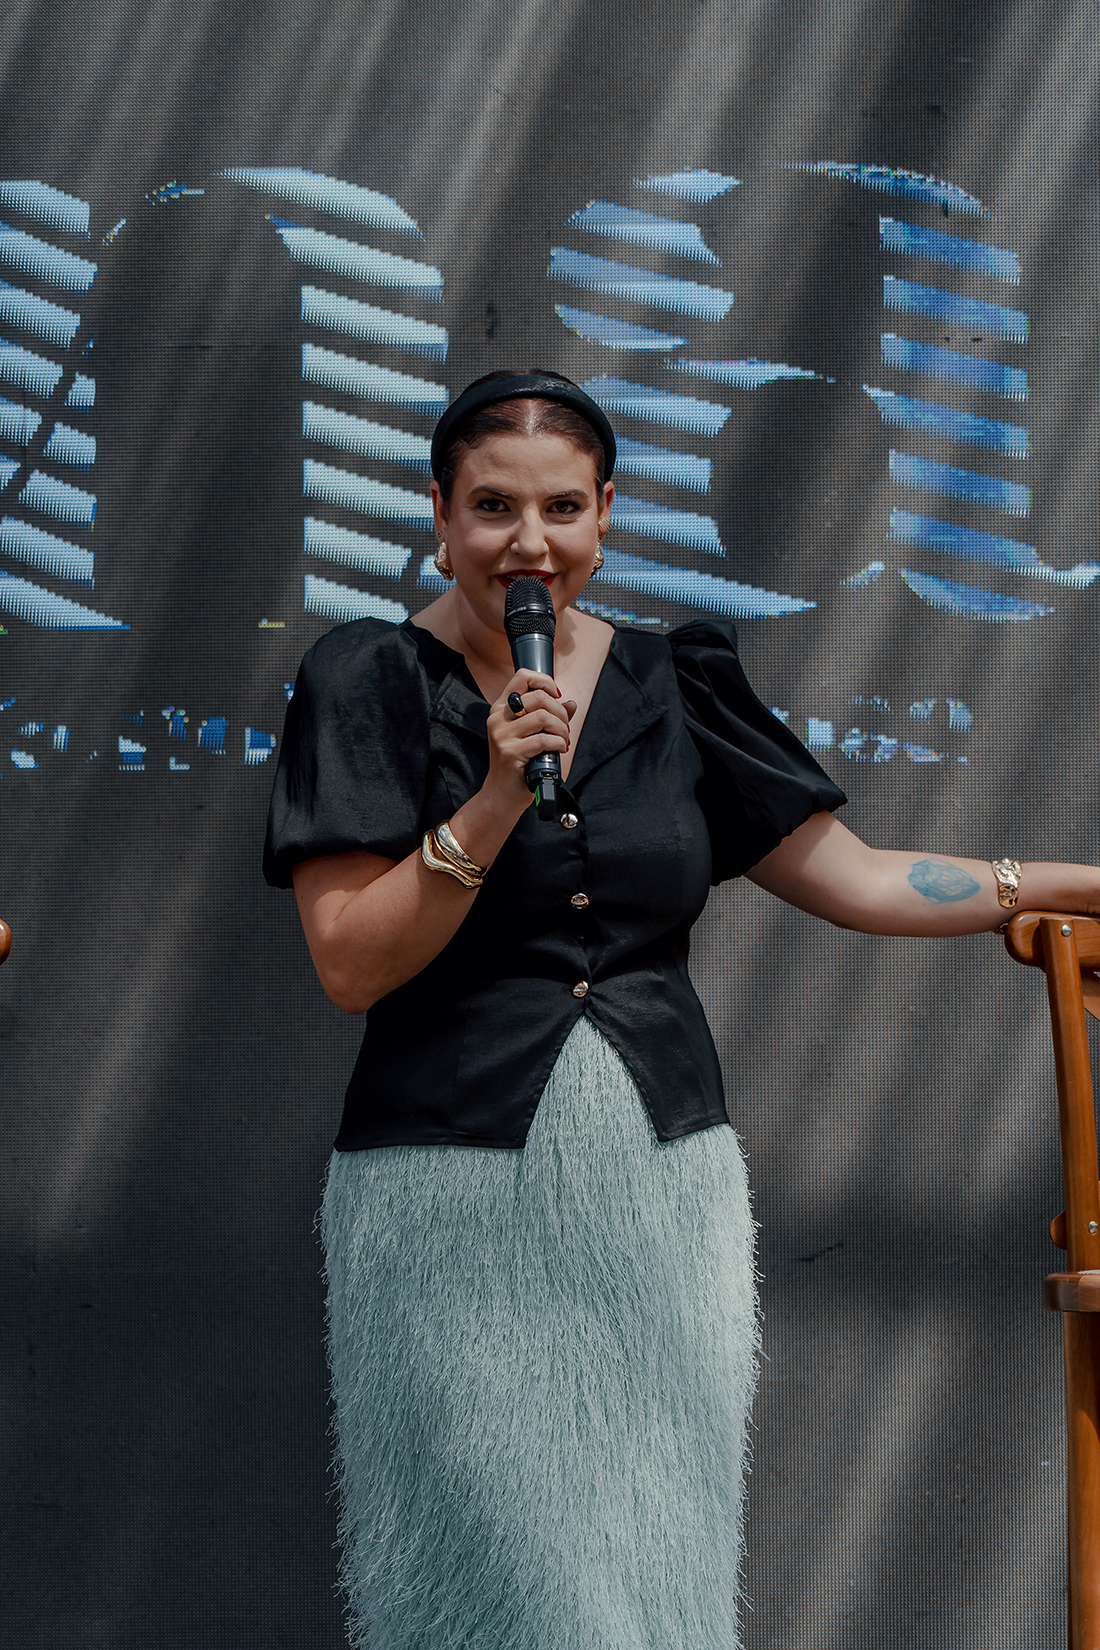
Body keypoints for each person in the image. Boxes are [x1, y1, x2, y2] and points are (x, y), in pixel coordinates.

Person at [263, 369, 1099, 1650]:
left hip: (661, 1192)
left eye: (560, 508)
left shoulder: (674, 681)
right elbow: (349, 963)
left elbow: (858, 879)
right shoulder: (367, 678)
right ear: (438, 516)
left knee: (656, 1566)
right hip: (448, 1196)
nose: (528, 543)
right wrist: (493, 796)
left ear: (604, 515)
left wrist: (1070, 883)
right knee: (505, 1585)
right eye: (492, 507)